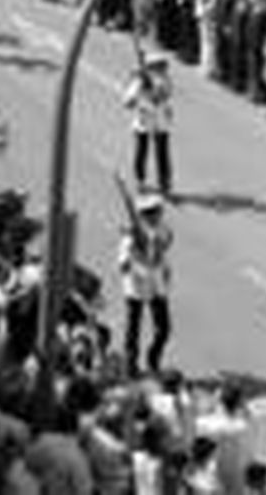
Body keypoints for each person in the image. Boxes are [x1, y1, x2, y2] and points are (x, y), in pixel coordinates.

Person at [118, 192, 173, 378]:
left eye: (158, 211)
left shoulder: (163, 229)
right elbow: (123, 264)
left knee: (164, 328)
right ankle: (130, 366)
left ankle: (153, 359)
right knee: (133, 329)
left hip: (157, 284)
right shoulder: (131, 236)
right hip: (137, 286)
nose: (157, 215)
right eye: (152, 212)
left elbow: (165, 244)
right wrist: (131, 257)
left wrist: (164, 267)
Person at [122, 46, 174, 199]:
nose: (161, 69)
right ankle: (140, 180)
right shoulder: (139, 82)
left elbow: (163, 94)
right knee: (141, 151)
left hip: (161, 120)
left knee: (162, 153)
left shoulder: (165, 80)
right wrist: (136, 95)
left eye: (161, 66)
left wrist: (151, 90)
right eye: (157, 65)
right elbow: (127, 102)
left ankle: (164, 182)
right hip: (143, 120)